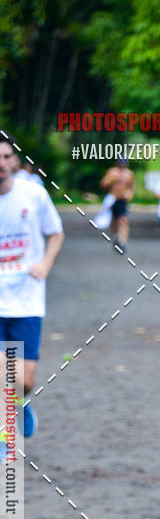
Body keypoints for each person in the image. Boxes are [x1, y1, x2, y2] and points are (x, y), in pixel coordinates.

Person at [0, 133, 64, 449]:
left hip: (27, 301)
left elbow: (55, 234)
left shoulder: (34, 195)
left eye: (6, 157)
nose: (1, 164)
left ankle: (19, 404)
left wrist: (45, 265)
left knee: (23, 380)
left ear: (14, 160)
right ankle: (4, 438)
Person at [99, 158, 136, 254]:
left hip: (122, 199)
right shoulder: (112, 172)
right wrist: (110, 180)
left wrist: (130, 194)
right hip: (113, 198)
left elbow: (132, 186)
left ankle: (123, 241)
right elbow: (103, 184)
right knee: (114, 220)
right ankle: (115, 236)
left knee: (123, 220)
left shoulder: (129, 174)